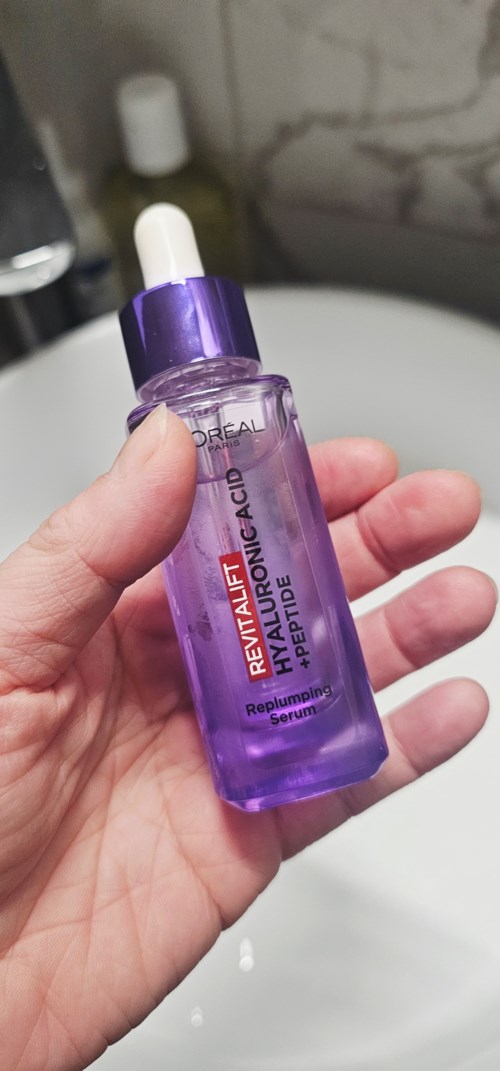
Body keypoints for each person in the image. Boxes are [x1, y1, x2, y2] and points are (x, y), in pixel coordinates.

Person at [0, 404, 496, 1070]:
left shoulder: (256, 403)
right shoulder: (177, 427)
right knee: (245, 577)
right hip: (227, 770)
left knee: (265, 576)